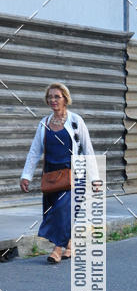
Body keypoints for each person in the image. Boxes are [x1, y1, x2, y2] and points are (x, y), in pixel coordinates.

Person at [20, 83, 99, 264]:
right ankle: (69, 245)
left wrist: (95, 179)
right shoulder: (44, 123)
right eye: (50, 97)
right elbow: (34, 151)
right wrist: (26, 175)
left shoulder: (76, 121)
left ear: (65, 98)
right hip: (51, 177)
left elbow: (88, 149)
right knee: (56, 213)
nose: (53, 100)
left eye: (57, 96)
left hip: (74, 176)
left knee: (62, 211)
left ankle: (57, 249)